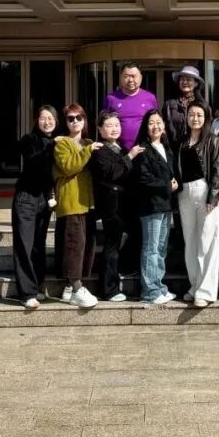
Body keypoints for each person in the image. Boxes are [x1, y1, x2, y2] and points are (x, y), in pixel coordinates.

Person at [89, 110, 144, 302]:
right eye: (109, 125)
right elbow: (114, 172)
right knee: (112, 244)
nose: (114, 129)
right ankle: (109, 289)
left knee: (136, 234)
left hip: (124, 204)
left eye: (116, 125)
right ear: (100, 129)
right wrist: (130, 157)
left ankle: (124, 268)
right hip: (111, 205)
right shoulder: (99, 150)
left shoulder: (120, 148)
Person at [53, 103, 103, 308]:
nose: (75, 121)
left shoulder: (89, 142)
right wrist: (87, 151)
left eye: (78, 117)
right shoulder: (62, 144)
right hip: (71, 202)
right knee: (74, 245)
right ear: (65, 122)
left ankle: (68, 286)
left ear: (85, 120)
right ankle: (76, 287)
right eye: (70, 118)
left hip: (88, 203)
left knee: (86, 245)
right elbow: (69, 166)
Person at [176, 100, 219, 307]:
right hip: (185, 193)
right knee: (190, 241)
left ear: (206, 118)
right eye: (191, 114)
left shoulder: (212, 140)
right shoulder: (181, 141)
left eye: (199, 115)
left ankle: (205, 291)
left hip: (205, 191)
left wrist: (213, 197)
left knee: (207, 241)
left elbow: (218, 170)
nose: (195, 118)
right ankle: (194, 285)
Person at [12, 105, 58, 309]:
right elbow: (32, 161)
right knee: (25, 244)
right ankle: (27, 293)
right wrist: (51, 147)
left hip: (44, 200)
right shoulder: (29, 140)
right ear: (36, 121)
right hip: (26, 197)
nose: (47, 122)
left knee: (38, 246)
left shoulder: (57, 142)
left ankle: (38, 286)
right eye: (43, 118)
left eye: (51, 118)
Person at [131, 110, 178, 305]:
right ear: (145, 127)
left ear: (164, 126)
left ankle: (159, 286)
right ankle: (150, 291)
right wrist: (167, 185)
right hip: (151, 206)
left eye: (159, 122)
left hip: (165, 205)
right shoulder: (142, 149)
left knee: (160, 247)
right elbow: (143, 179)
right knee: (151, 248)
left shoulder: (166, 148)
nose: (156, 126)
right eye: (151, 123)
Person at [102, 62, 158, 150]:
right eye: (126, 76)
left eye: (133, 76)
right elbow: (103, 123)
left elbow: (156, 122)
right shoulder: (111, 99)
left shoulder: (150, 98)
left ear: (141, 77)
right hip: (118, 150)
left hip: (145, 149)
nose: (130, 80)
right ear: (121, 78)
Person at [162, 64, 207, 148]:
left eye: (189, 79)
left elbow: (207, 127)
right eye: (182, 79)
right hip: (173, 148)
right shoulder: (169, 104)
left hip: (197, 147)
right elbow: (163, 126)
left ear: (196, 83)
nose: (185, 82)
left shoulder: (202, 104)